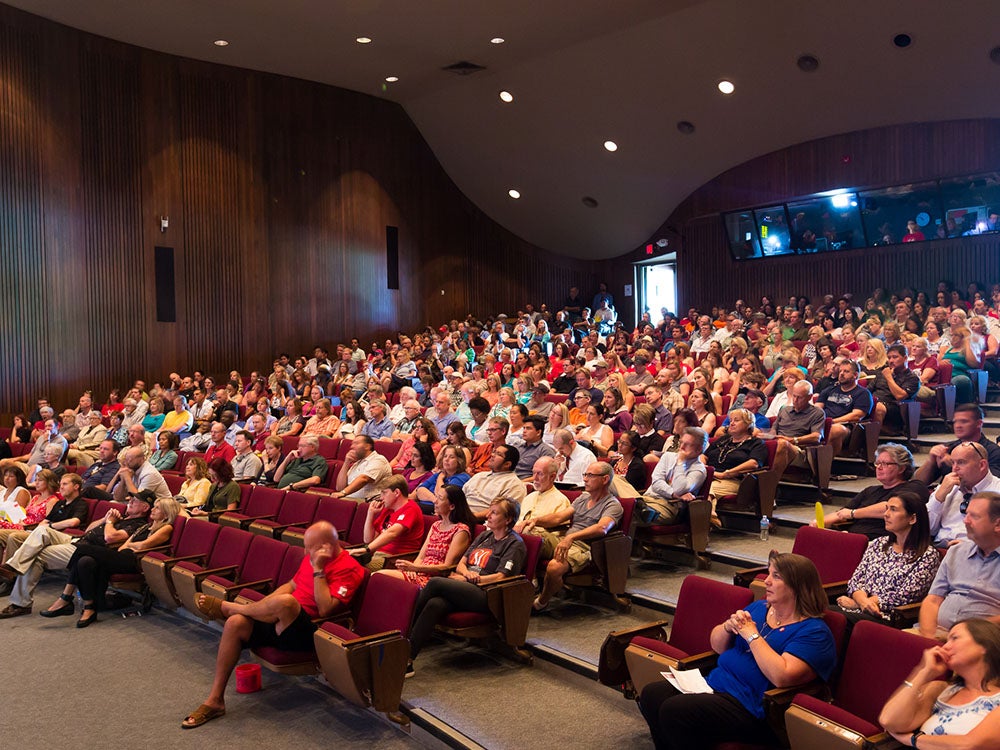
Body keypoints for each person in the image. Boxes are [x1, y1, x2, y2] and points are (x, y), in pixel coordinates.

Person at [638, 552, 837, 750]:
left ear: (798, 586)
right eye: (768, 573)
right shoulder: (760, 608)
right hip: (715, 684)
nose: (766, 581)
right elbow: (717, 646)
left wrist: (752, 635)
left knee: (675, 711)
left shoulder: (814, 632)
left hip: (753, 707)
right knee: (652, 694)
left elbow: (782, 676)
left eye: (776, 576)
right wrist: (727, 626)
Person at [181, 521, 364, 728]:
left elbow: (325, 609)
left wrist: (319, 570)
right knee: (236, 623)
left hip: (310, 633)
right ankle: (215, 701)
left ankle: (229, 607)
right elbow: (291, 585)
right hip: (282, 621)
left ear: (327, 546)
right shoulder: (311, 557)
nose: (305, 551)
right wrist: (264, 606)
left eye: (309, 547)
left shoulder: (350, 568)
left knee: (285, 603)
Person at [0, 477, 151, 619]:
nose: (130, 501)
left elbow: (110, 538)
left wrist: (110, 523)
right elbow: (89, 530)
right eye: (131, 498)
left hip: (86, 550)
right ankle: (13, 565)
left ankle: (20, 600)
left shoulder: (138, 525)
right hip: (78, 539)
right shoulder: (121, 517)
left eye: (135, 500)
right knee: (42, 530)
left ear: (145, 507)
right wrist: (105, 519)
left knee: (36, 555)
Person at [406, 498, 526, 675]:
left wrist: (469, 580)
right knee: (435, 604)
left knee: (435, 583)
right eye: (489, 511)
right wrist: (464, 574)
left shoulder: (514, 544)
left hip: (488, 594)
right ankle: (407, 660)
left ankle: (401, 631)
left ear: (508, 519)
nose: (488, 515)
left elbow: (501, 577)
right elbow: (462, 562)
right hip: (465, 588)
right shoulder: (485, 535)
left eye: (494, 512)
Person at [39, 495, 182, 627]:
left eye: (158, 507)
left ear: (166, 513)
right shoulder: (146, 526)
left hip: (135, 561)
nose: (154, 509)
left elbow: (143, 546)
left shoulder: (166, 528)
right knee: (85, 561)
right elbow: (125, 546)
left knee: (81, 549)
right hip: (123, 556)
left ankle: (65, 598)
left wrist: (131, 546)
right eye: (155, 506)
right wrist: (127, 548)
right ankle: (90, 609)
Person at [879, 619, 1000, 747]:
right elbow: (889, 720)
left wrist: (913, 740)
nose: (945, 646)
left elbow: (969, 745)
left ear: (985, 646)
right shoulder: (941, 690)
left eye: (955, 638)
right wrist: (922, 673)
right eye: (947, 640)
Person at [833, 491, 941, 627]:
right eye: (887, 509)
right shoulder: (879, 543)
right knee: (821, 612)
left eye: (894, 510)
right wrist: (863, 603)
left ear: (912, 518)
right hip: (860, 609)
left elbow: (904, 596)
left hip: (886, 616)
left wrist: (858, 604)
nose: (886, 514)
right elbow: (856, 580)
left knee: (830, 616)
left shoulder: (927, 555)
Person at [533, 461, 623, 611]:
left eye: (590, 475)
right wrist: (534, 521)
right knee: (528, 536)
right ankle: (529, 584)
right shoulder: (583, 498)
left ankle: (541, 602)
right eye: (585, 475)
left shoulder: (613, 505)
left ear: (605, 479)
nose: (585, 479)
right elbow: (558, 518)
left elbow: (602, 528)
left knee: (554, 567)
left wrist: (572, 537)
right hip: (565, 540)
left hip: (586, 547)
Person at [918, 493, 1000, 639]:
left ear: (998, 525)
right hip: (936, 632)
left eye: (974, 516)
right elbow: (933, 600)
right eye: (966, 514)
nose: (965, 521)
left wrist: (965, 633)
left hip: (983, 639)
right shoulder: (956, 552)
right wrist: (928, 637)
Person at [816, 443, 930, 538]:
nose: (879, 468)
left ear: (901, 468)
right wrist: (819, 523)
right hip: (853, 537)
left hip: (882, 542)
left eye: (885, 464)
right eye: (877, 463)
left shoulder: (915, 487)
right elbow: (842, 513)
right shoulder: (870, 491)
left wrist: (853, 513)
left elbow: (888, 507)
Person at [377, 484, 473, 588]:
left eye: (440, 498)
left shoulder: (461, 531)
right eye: (436, 497)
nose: (435, 501)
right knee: (378, 577)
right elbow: (421, 556)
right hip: (418, 571)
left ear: (452, 506)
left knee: (379, 577)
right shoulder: (436, 525)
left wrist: (416, 568)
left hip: (434, 579)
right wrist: (413, 569)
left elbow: (447, 566)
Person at [928, 442, 1000, 546]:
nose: (954, 468)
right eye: (953, 463)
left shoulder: (997, 491)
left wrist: (972, 546)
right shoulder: (946, 487)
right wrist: (938, 497)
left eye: (961, 462)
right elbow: (926, 530)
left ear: (982, 465)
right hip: (939, 548)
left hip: (978, 554)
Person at [915, 404, 1000, 483]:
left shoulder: (994, 452)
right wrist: (931, 460)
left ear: (979, 424)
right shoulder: (948, 448)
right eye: (955, 422)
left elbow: (990, 484)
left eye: (964, 421)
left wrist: (954, 462)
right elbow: (919, 482)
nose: (958, 426)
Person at [640, 427, 709, 525]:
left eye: (687, 444)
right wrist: (673, 494)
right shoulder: (668, 456)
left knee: (627, 512)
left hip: (667, 507)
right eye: (681, 442)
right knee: (616, 480)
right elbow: (656, 483)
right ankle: (637, 505)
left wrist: (681, 463)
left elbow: (679, 489)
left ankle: (636, 508)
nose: (682, 447)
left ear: (699, 449)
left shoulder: (699, 470)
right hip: (646, 499)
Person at [815, 360, 874, 455]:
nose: (841, 374)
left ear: (855, 375)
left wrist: (832, 422)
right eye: (840, 371)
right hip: (823, 423)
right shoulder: (830, 389)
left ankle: (824, 465)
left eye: (846, 371)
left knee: (835, 429)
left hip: (845, 426)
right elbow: (817, 408)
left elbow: (856, 416)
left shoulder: (863, 393)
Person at [460, 444, 525, 520]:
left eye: (499, 454)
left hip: (479, 521)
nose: (492, 455)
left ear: (507, 464)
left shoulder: (514, 484)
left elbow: (504, 512)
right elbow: (460, 497)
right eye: (494, 452)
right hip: (459, 515)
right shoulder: (479, 476)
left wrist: (470, 517)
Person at [331, 435, 392, 502]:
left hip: (368, 502)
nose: (352, 447)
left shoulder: (378, 459)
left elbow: (364, 479)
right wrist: (346, 463)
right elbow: (339, 488)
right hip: (350, 500)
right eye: (352, 444)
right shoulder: (357, 463)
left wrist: (343, 493)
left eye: (356, 443)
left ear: (367, 446)